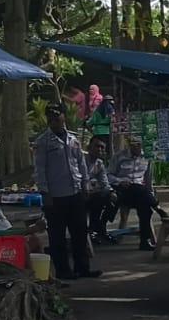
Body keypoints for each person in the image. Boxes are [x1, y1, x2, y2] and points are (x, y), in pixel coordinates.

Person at [31, 106, 100, 279]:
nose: (59, 123)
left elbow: (81, 164)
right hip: (56, 194)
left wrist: (85, 184)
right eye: (55, 120)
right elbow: (39, 169)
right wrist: (44, 192)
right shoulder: (43, 142)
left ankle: (82, 267)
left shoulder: (72, 139)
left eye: (60, 119)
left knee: (79, 232)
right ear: (49, 121)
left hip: (75, 191)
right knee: (57, 235)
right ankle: (63, 270)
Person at [111, 137, 161, 251]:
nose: (137, 147)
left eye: (139, 145)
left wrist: (151, 193)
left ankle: (144, 241)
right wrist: (120, 182)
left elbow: (148, 181)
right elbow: (108, 175)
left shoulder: (146, 158)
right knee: (139, 191)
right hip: (122, 191)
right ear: (130, 145)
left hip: (140, 194)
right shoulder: (119, 157)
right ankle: (157, 206)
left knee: (145, 208)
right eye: (134, 145)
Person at [85, 139, 115, 243]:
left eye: (102, 147)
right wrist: (89, 188)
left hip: (92, 194)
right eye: (97, 146)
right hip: (79, 193)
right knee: (98, 200)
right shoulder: (81, 160)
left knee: (113, 198)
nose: (100, 149)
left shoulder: (99, 163)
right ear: (89, 148)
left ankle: (100, 227)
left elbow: (104, 182)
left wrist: (111, 192)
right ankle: (95, 229)